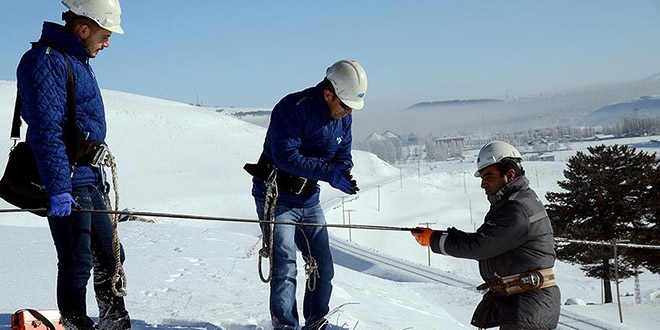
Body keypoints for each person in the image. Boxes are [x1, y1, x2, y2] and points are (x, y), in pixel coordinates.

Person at [16, 1, 131, 329]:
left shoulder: (74, 59)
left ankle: (114, 322)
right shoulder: (45, 61)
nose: (106, 43)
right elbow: (46, 131)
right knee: (77, 260)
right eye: (105, 36)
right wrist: (58, 190)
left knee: (112, 257)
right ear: (84, 30)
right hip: (66, 177)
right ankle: (76, 323)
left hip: (87, 176)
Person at [244, 59, 367, 330]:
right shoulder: (291, 109)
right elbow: (286, 157)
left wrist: (342, 172)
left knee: (323, 266)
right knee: (285, 266)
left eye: (352, 108)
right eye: (345, 106)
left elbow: (342, 154)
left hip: (309, 198)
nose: (348, 112)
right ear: (327, 94)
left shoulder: (343, 118)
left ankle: (315, 323)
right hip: (277, 197)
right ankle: (286, 326)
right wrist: (329, 172)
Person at [411, 141, 560, 330]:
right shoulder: (515, 202)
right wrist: (439, 237)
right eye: (481, 177)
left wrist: (434, 240)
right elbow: (488, 239)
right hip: (522, 303)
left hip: (527, 305)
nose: (483, 183)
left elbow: (481, 245)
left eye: (489, 176)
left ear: (510, 174)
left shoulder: (516, 208)